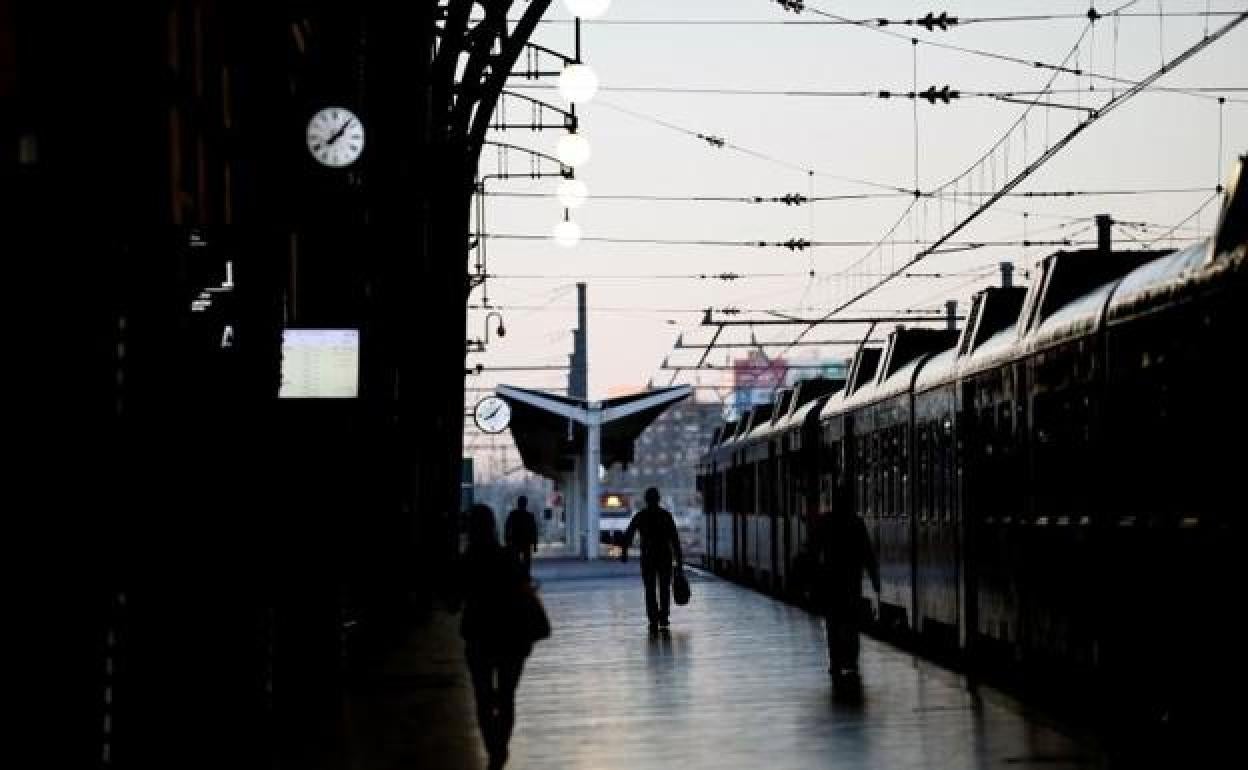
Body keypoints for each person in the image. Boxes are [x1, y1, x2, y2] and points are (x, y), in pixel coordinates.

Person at [454, 504, 534, 770]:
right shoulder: (508, 556)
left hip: (478, 636)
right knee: (507, 695)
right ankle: (500, 745)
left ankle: (493, 749)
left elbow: (453, 602)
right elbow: (524, 589)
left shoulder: (466, 562)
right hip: (510, 636)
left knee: (483, 696)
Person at [811, 511, 881, 686]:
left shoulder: (826, 521)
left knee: (833, 624)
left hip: (832, 581)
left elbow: (815, 550)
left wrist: (814, 577)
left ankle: (835, 661)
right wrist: (874, 578)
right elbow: (867, 552)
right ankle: (851, 659)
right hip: (851, 581)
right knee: (851, 622)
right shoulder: (856, 522)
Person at [619, 487, 683, 632]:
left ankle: (653, 618)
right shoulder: (665, 515)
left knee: (650, 589)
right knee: (664, 588)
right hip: (665, 556)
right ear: (658, 499)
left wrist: (624, 552)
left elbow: (629, 535)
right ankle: (664, 616)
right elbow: (675, 540)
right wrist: (679, 561)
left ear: (646, 500)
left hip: (648, 557)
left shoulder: (640, 516)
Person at [504, 495, 539, 577]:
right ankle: (525, 574)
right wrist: (535, 544)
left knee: (515, 559)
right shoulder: (529, 515)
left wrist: (507, 540)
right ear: (526, 504)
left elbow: (507, 527)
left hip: (515, 540)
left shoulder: (513, 514)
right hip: (526, 541)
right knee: (527, 560)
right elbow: (534, 530)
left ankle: (517, 574)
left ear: (518, 503)